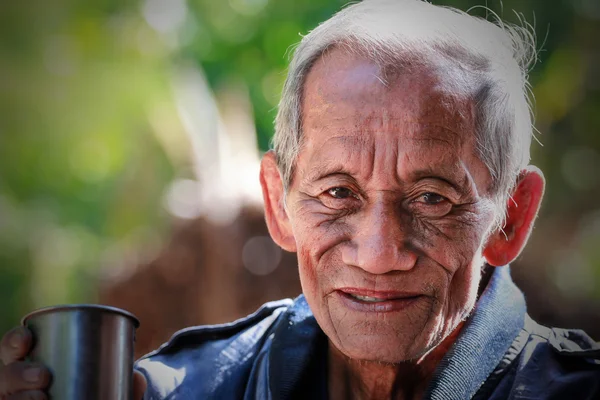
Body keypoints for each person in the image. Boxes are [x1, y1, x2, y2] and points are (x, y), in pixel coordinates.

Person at [1, 0, 599, 399]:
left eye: (432, 198)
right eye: (338, 193)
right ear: (278, 203)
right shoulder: (189, 387)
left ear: (512, 215)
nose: (379, 252)